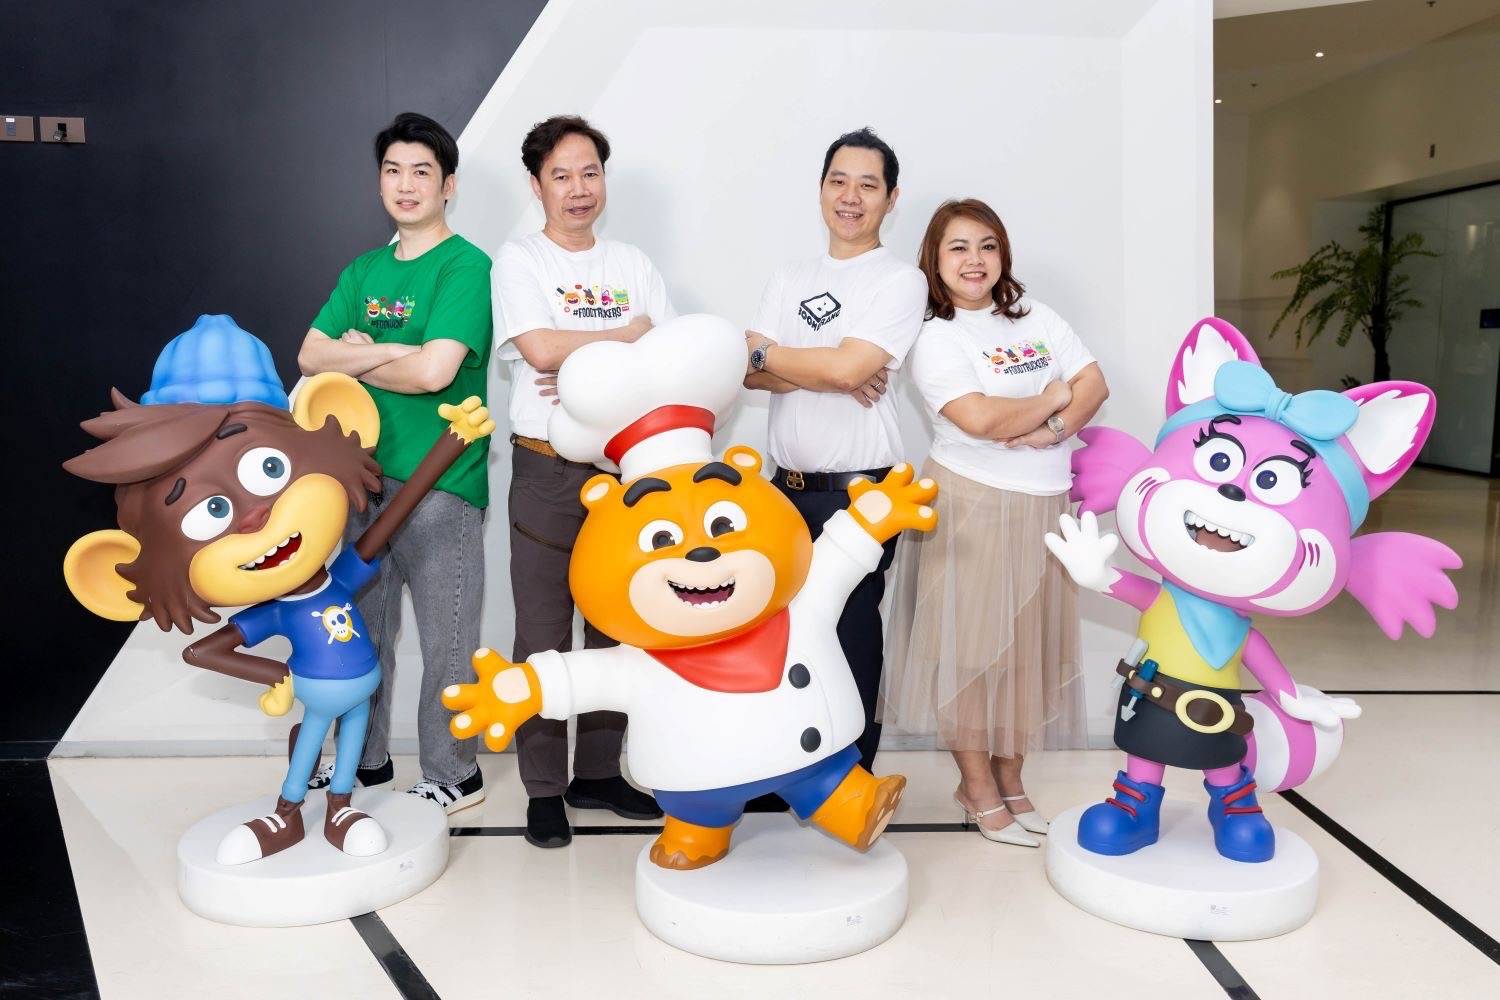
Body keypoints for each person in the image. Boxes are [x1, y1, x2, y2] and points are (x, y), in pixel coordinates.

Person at [880, 198, 1108, 845]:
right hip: (972, 505)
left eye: (987, 245)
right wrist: (1053, 395)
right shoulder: (936, 336)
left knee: (1025, 656)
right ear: (935, 259)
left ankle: (1013, 782)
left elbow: (1095, 384)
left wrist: (1052, 428)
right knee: (972, 656)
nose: (975, 260)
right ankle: (976, 788)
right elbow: (978, 418)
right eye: (958, 247)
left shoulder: (1035, 314)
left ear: (1002, 253)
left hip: (1045, 503)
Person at [296, 112, 493, 814]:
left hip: (441, 481)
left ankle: (455, 773)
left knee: (447, 641)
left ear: (448, 185)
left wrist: (359, 352)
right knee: (359, 633)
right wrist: (392, 353)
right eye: (393, 171)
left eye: (422, 172)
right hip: (361, 480)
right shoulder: (364, 270)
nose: (406, 185)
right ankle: (365, 759)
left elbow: (436, 373)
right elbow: (310, 355)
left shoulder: (466, 265)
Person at [494, 114, 669, 848]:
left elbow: (665, 362)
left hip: (625, 472)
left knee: (615, 628)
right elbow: (538, 349)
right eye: (561, 175)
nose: (578, 188)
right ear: (536, 186)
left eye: (589, 172)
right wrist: (621, 340)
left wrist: (588, 358)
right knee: (542, 633)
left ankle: (597, 774)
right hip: (547, 471)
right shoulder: (520, 258)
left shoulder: (633, 263)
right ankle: (544, 789)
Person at [742, 127, 927, 807]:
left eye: (867, 185)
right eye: (838, 181)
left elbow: (844, 367)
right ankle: (789, 771)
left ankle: (851, 781)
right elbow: (749, 371)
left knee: (850, 631)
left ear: (891, 198)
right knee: (786, 634)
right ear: (821, 189)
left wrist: (780, 356)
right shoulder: (790, 276)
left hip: (862, 495)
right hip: (784, 490)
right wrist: (817, 367)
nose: (850, 197)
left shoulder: (900, 280)